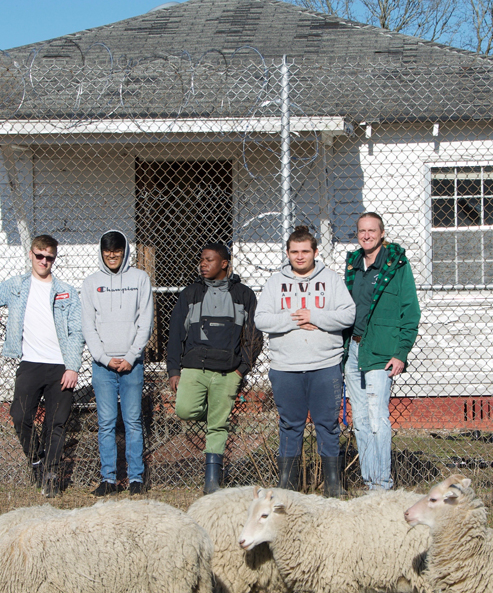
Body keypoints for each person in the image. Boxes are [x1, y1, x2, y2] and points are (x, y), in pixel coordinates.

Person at [0, 234, 83, 497]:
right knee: (20, 416)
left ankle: (52, 475)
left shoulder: (66, 291)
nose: (44, 261)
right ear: (31, 255)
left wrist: (73, 366)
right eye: (39, 256)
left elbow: (77, 331)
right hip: (30, 364)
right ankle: (36, 459)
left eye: (49, 257)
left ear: (54, 259)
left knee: (56, 423)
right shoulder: (17, 286)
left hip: (60, 366)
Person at [255, 225, 355, 497]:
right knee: (290, 425)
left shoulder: (331, 280)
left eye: (305, 251)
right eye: (294, 252)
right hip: (286, 367)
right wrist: (294, 318)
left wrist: (315, 316)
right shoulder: (276, 282)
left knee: (327, 424)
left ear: (315, 252)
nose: (300, 257)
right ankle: (288, 487)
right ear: (287, 253)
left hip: (325, 365)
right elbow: (261, 319)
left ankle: (333, 487)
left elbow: (348, 315)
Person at [166, 242, 263, 494]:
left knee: (218, 426)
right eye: (201, 260)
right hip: (194, 368)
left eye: (209, 260)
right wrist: (174, 370)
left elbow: (254, 335)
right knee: (185, 409)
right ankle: (216, 413)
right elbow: (176, 334)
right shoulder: (190, 293)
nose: (203, 264)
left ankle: (212, 482)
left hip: (228, 372)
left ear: (224, 264)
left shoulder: (244, 294)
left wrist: (242, 368)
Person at [343, 212, 420, 491]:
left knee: (377, 419)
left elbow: (410, 311)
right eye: (361, 231)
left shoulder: (396, 264)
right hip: (353, 350)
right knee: (360, 420)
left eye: (371, 230)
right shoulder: (353, 265)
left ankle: (383, 485)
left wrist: (401, 352)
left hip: (381, 352)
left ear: (381, 233)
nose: (366, 235)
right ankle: (370, 481)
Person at [81, 230, 154, 496]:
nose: (112, 256)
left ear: (125, 251)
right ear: (101, 252)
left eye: (117, 251)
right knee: (106, 422)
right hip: (103, 366)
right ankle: (108, 479)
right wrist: (103, 357)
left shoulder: (140, 279)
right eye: (107, 251)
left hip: (131, 364)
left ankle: (136, 479)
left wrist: (132, 355)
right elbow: (88, 325)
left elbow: (145, 321)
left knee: (133, 421)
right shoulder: (91, 283)